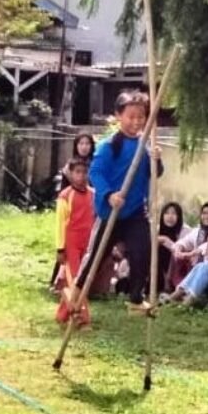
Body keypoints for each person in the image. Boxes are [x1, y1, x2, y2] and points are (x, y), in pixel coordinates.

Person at [75, 90, 162, 307]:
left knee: (143, 251)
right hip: (110, 212)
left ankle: (135, 297)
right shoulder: (109, 145)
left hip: (134, 212)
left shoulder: (145, 146)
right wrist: (109, 195)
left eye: (141, 117)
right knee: (96, 257)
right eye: (131, 116)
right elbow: (96, 173)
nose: (136, 121)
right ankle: (76, 294)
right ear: (119, 116)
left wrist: (157, 161)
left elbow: (155, 173)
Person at [49, 132, 96, 287]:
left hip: (87, 214)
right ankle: (60, 283)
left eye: (87, 143)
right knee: (68, 258)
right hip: (72, 216)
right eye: (81, 143)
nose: (84, 147)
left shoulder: (95, 164)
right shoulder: (68, 167)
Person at [54, 157, 95, 326]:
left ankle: (63, 313)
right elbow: (60, 223)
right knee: (78, 279)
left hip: (88, 242)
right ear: (70, 174)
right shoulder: (65, 196)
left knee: (84, 278)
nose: (81, 176)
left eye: (84, 172)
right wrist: (60, 248)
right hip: (71, 243)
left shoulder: (94, 194)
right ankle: (81, 317)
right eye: (77, 172)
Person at [166, 202, 208, 290]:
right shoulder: (199, 231)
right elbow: (185, 241)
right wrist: (179, 249)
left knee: (199, 259)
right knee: (176, 253)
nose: (206, 216)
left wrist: (191, 254)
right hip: (194, 264)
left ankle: (187, 289)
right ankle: (173, 287)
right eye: (204, 213)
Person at [155, 202, 188, 293]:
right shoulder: (157, 229)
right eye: (166, 213)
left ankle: (170, 283)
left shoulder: (185, 231)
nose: (170, 216)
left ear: (179, 216)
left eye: (174, 213)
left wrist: (166, 241)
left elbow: (181, 253)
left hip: (179, 268)